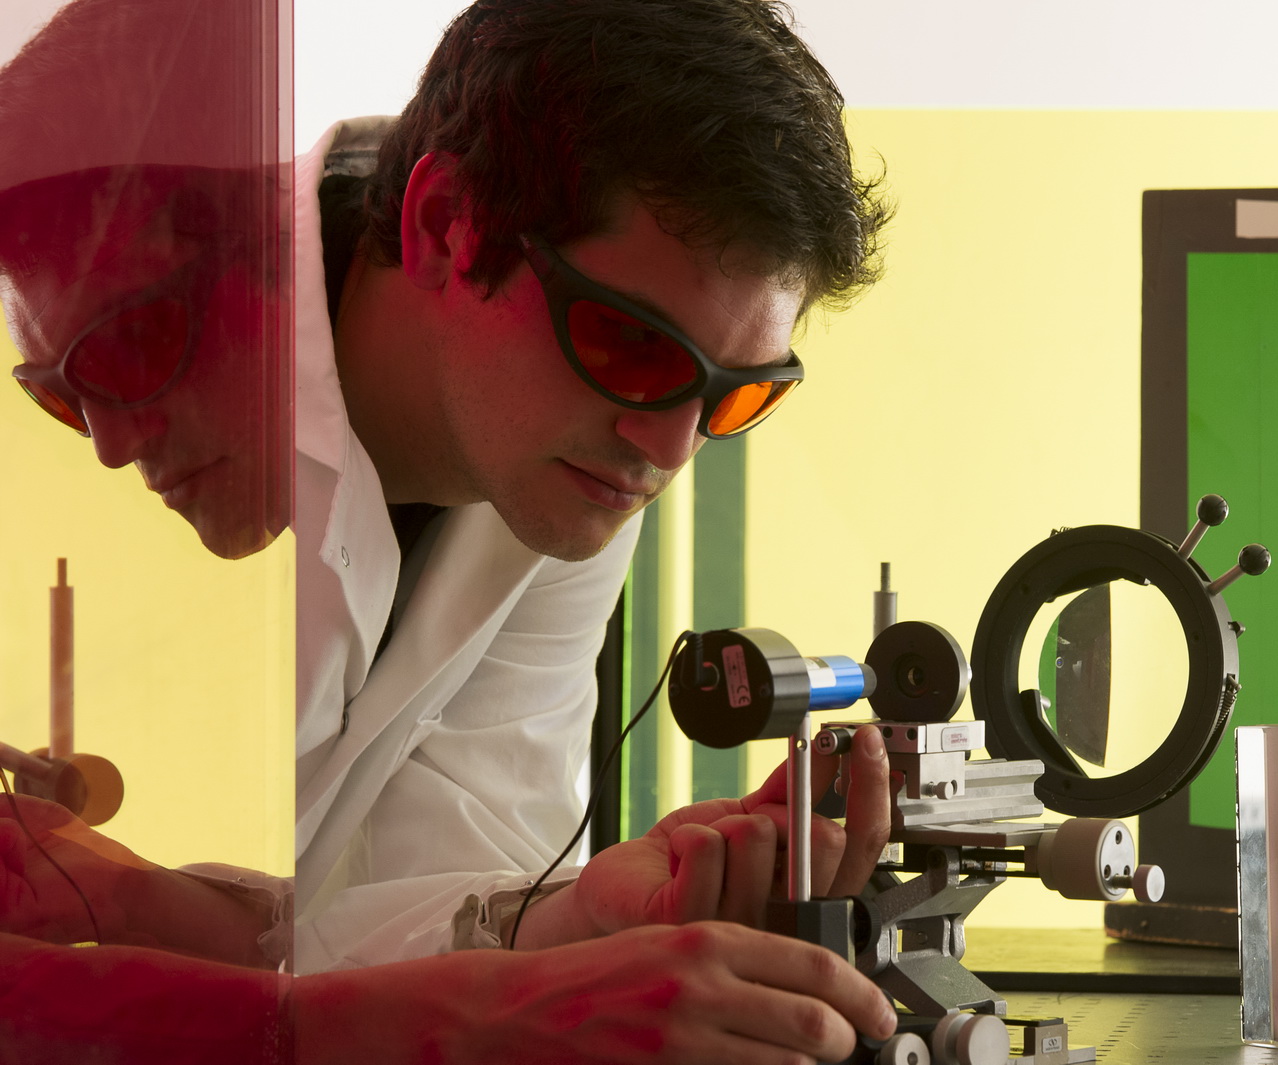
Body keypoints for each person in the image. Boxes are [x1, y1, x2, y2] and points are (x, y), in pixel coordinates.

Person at [2, 0, 902, 1060]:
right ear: (442, 225)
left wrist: (575, 922)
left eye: (732, 397)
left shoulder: (568, 474)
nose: (667, 451)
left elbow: (399, 908)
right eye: (629, 347)